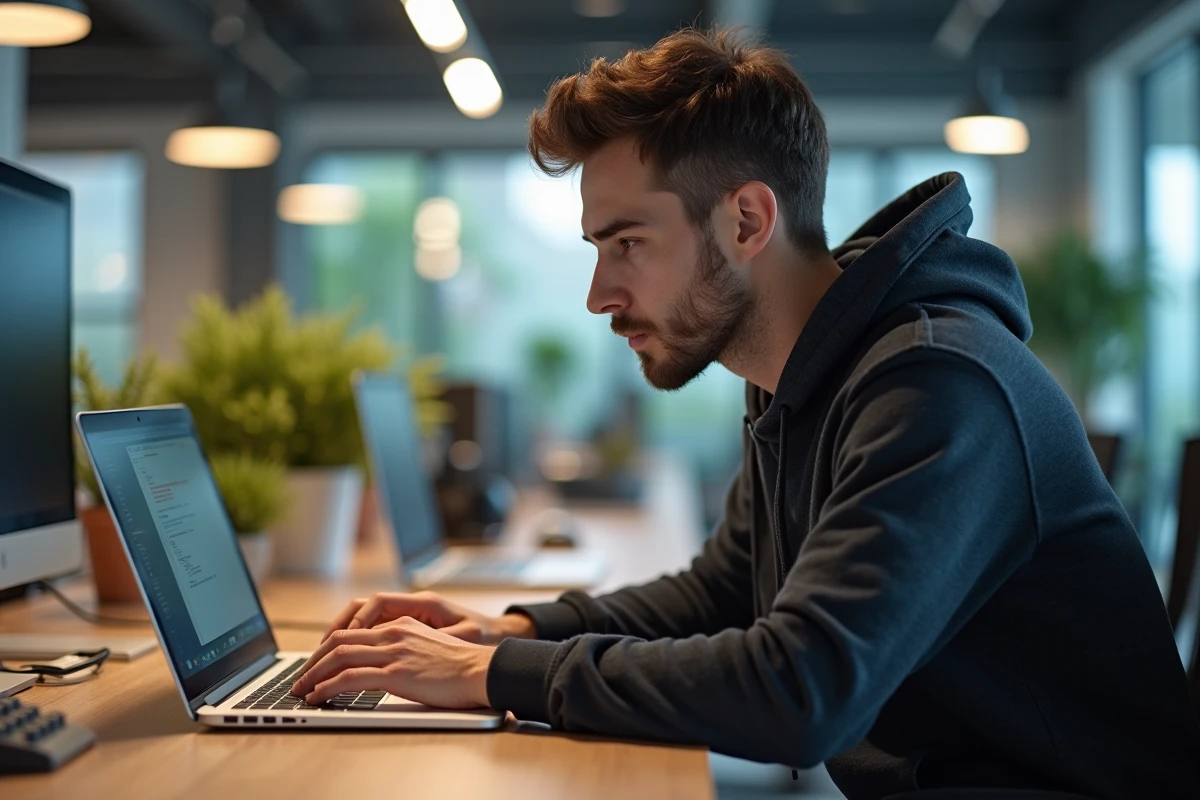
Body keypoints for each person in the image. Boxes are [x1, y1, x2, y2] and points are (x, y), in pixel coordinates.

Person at [290, 28, 1200, 798]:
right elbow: (722, 593)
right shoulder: (802, 375)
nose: (599, 294)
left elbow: (802, 691)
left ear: (747, 221)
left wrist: (496, 676)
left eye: (629, 243)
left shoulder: (939, 386)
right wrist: (511, 632)